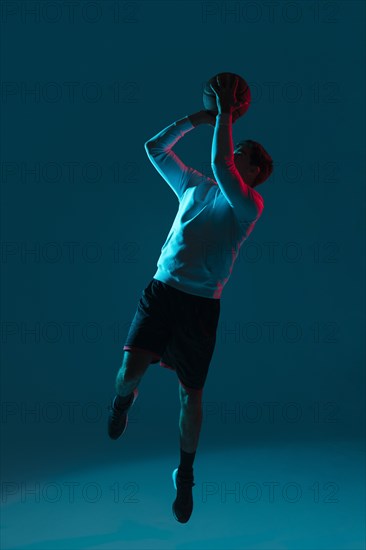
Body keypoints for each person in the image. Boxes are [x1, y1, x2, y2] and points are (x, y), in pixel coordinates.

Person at [108, 75, 273, 523]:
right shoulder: (193, 185)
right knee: (127, 374)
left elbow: (223, 163)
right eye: (239, 146)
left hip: (200, 307)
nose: (239, 152)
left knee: (191, 398)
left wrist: (223, 113)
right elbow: (153, 148)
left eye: (247, 154)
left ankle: (184, 474)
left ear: (255, 172)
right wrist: (198, 118)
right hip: (162, 292)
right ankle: (123, 403)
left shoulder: (248, 205)